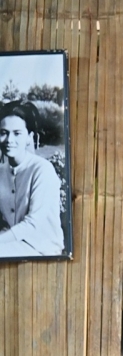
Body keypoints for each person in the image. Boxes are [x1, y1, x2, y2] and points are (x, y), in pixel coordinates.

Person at [0, 99, 64, 258]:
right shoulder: (2, 171)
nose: (9, 140)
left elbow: (33, 225)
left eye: (17, 133)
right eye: (3, 133)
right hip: (17, 244)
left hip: (44, 249)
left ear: (30, 136)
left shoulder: (42, 170)